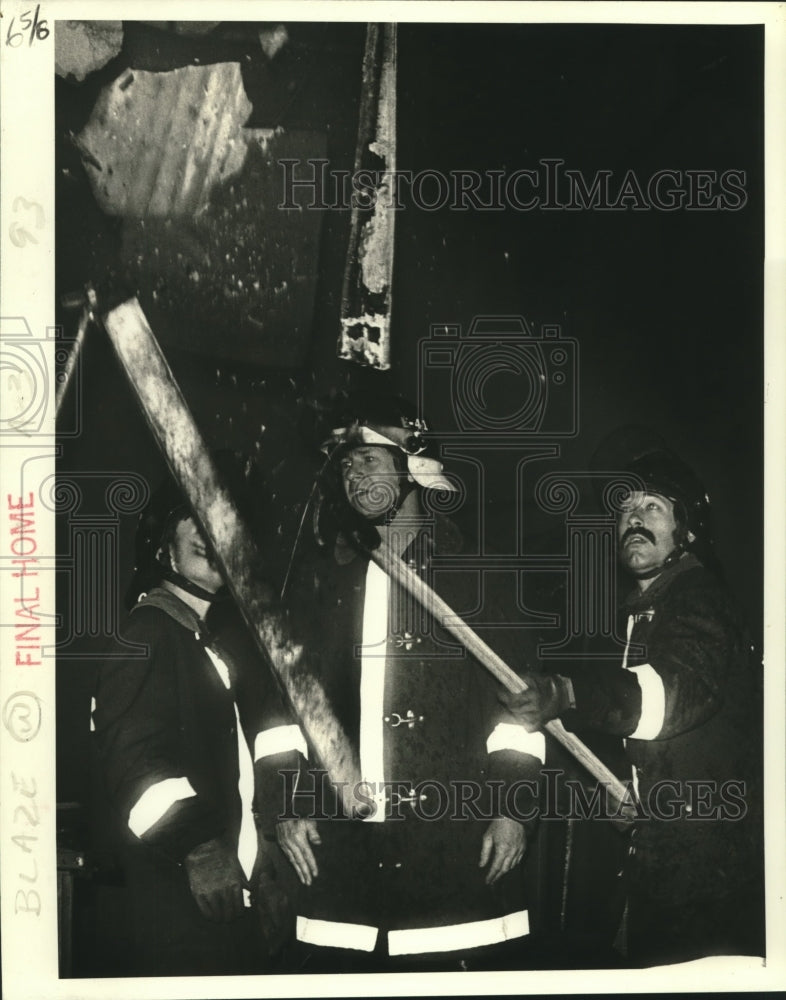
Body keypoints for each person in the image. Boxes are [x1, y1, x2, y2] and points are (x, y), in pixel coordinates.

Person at [254, 393, 547, 972]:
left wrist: (514, 809)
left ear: (415, 464)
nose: (353, 474)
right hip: (340, 860)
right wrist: (286, 804)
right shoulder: (316, 587)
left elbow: (517, 719)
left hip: (455, 854)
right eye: (345, 465)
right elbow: (278, 714)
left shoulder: (478, 581)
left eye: (368, 458)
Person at [501, 445, 764, 966]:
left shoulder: (697, 596)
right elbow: (664, 739)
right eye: (625, 511)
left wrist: (569, 694)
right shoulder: (645, 612)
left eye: (653, 508)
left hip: (711, 883)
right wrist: (634, 791)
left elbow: (672, 696)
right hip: (667, 866)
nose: (633, 520)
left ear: (687, 532)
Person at [92, 477, 276, 975]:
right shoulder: (148, 631)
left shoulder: (199, 639)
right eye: (191, 517)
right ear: (161, 547)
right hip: (182, 894)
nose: (209, 530)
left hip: (224, 895)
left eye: (218, 519)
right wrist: (197, 846)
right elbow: (133, 765)